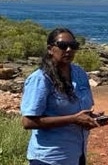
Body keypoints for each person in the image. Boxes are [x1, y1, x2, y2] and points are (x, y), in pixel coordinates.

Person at [20, 27, 100, 165]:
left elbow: (81, 110)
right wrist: (73, 119)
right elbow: (28, 122)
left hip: (77, 154)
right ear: (50, 49)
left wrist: (89, 118)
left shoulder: (79, 73)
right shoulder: (40, 79)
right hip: (50, 158)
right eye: (63, 46)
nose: (69, 50)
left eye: (73, 46)